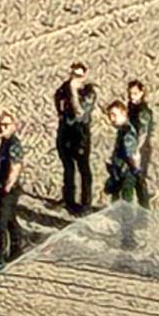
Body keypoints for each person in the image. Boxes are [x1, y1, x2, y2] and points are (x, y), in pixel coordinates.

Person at [54, 62, 97, 214]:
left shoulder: (89, 92)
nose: (74, 79)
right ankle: (68, 199)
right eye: (73, 75)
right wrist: (60, 113)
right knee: (68, 166)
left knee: (83, 168)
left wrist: (73, 91)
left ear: (84, 76)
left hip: (80, 133)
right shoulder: (64, 87)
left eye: (78, 76)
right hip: (66, 130)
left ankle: (86, 203)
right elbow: (57, 97)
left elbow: (79, 112)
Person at [0, 111, 25, 268]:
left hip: (7, 189)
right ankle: (17, 248)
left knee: (0, 224)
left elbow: (16, 166)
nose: (1, 128)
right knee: (10, 219)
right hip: (2, 186)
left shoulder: (13, 144)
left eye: (5, 125)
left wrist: (7, 187)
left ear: (13, 126)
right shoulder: (5, 142)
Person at [105, 101, 141, 203]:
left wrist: (135, 169)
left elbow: (130, 154)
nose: (112, 119)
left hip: (126, 171)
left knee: (126, 199)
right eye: (110, 116)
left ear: (124, 113)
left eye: (114, 115)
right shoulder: (122, 130)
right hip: (120, 170)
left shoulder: (127, 132)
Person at [126, 80, 154, 208]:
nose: (132, 96)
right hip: (132, 145)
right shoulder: (132, 106)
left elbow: (143, 132)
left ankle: (144, 208)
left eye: (135, 93)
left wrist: (136, 150)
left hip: (141, 148)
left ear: (142, 93)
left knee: (139, 179)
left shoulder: (143, 111)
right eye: (130, 93)